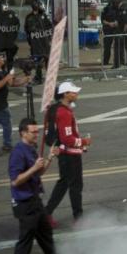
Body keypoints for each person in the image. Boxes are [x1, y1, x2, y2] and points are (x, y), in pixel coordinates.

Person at [7, 118, 81, 254]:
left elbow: (39, 173)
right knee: (25, 241)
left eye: (37, 131)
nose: (36, 134)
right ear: (23, 133)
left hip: (34, 200)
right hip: (25, 203)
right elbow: (15, 181)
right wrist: (33, 168)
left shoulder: (30, 149)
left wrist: (49, 158)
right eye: (33, 132)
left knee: (46, 235)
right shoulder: (18, 152)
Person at [44, 82, 91, 223]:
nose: (76, 94)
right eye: (73, 92)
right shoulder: (64, 112)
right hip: (70, 155)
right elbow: (67, 138)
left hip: (64, 154)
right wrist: (83, 142)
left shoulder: (55, 109)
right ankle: (78, 217)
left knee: (63, 183)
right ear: (65, 94)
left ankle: (47, 214)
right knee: (75, 186)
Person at [0, 51, 28, 156]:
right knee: (6, 124)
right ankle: (6, 145)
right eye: (1, 57)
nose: (3, 58)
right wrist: (6, 78)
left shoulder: (1, 71)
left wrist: (25, 79)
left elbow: (12, 83)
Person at [25, 0, 52, 84]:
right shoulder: (29, 17)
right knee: (37, 61)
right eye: (40, 5)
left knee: (48, 60)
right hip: (36, 43)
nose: (42, 7)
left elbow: (50, 27)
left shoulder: (45, 15)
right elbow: (28, 30)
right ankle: (39, 77)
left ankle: (50, 78)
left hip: (45, 42)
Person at [0, 1, 21, 72]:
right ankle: (4, 74)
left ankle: (8, 75)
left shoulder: (11, 14)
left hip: (6, 42)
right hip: (3, 42)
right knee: (4, 60)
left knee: (9, 59)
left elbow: (17, 26)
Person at [101, 0, 122, 68]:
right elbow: (103, 20)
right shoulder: (106, 9)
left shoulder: (120, 9)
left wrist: (117, 23)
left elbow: (123, 18)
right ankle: (105, 61)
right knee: (107, 46)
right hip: (108, 29)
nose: (117, 4)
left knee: (118, 46)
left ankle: (120, 61)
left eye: (118, 2)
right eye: (115, 2)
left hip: (117, 29)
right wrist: (109, 24)